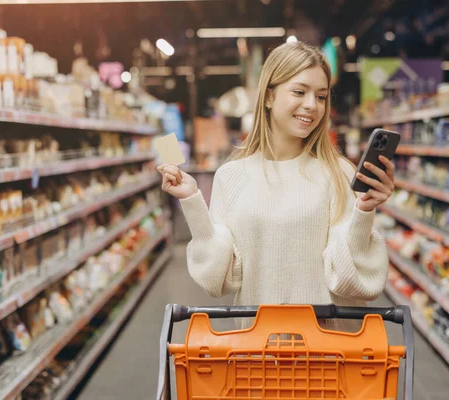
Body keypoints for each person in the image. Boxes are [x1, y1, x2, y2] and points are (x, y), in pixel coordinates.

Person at [157, 41, 395, 332]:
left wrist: (363, 212)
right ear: (268, 96)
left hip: (328, 357)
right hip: (259, 354)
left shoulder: (338, 173)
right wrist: (193, 201)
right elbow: (220, 279)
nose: (312, 105)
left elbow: (353, 281)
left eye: (321, 96)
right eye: (299, 91)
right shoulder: (231, 176)